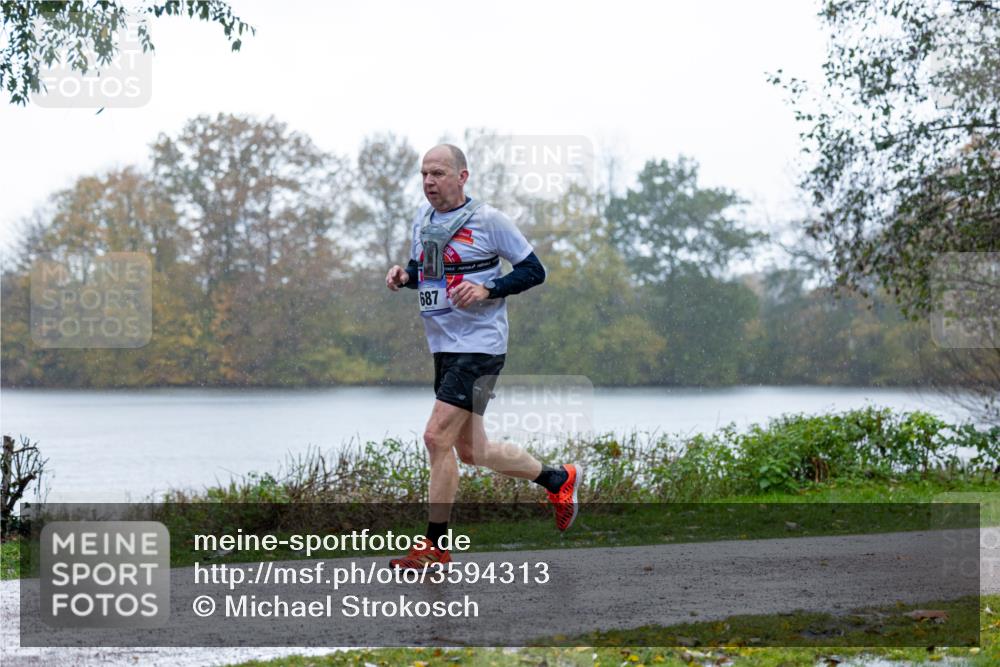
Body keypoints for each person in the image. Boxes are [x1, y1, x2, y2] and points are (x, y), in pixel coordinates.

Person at [384, 144, 581, 569]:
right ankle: (557, 479)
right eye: (423, 174)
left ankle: (436, 546)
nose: (429, 182)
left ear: (462, 176)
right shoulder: (424, 220)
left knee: (436, 438)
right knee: (472, 451)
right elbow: (429, 272)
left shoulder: (488, 220)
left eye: (437, 173)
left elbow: (534, 271)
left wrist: (487, 290)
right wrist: (406, 276)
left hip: (480, 346)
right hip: (444, 344)